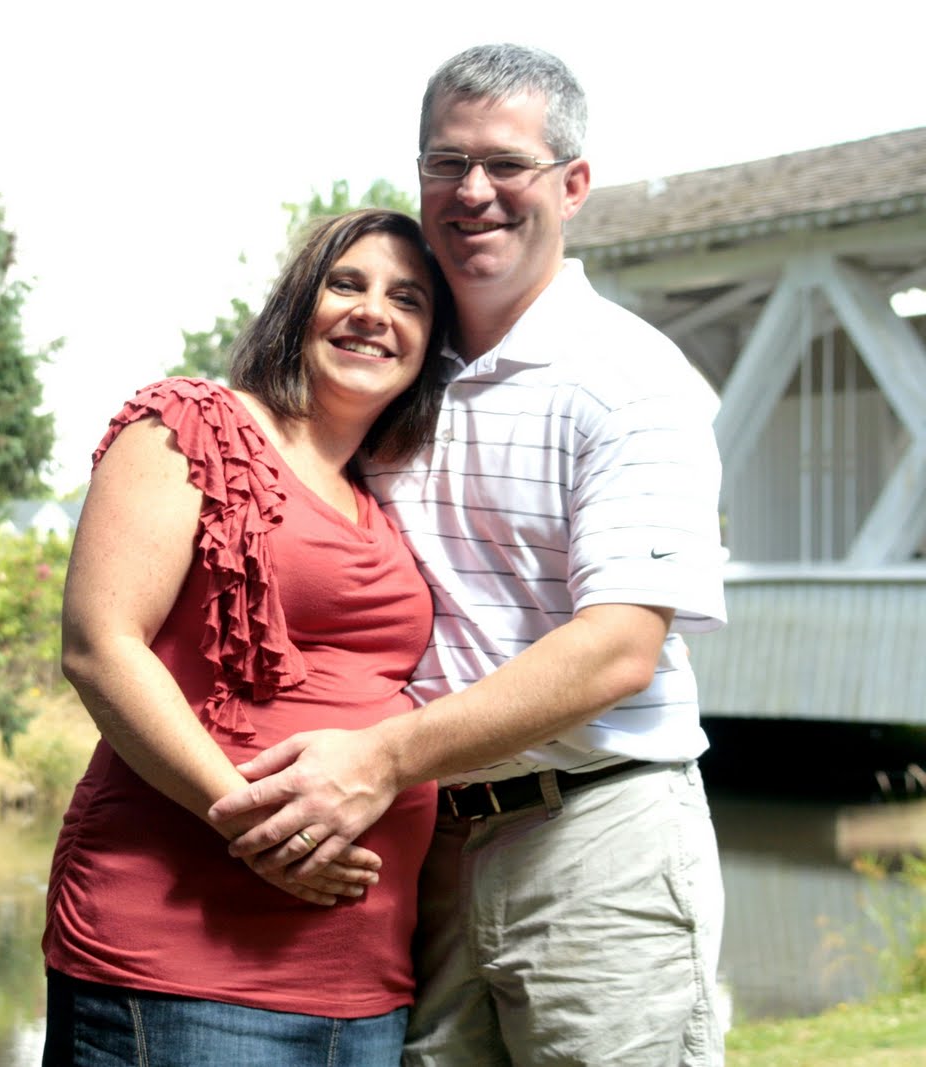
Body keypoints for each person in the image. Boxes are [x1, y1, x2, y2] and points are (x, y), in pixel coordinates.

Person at [209, 44, 729, 1066]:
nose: (473, 191)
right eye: (446, 163)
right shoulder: (391, 370)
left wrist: (377, 758)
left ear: (572, 185)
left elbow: (619, 646)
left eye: (507, 163)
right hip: (420, 847)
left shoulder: (632, 377)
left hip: (594, 838)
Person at [41, 208, 455, 1065]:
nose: (373, 311)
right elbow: (100, 645)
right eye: (347, 284)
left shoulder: (379, 502)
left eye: (407, 299)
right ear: (299, 305)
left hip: (363, 985)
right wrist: (257, 827)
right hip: (179, 963)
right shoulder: (193, 425)